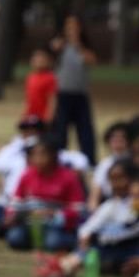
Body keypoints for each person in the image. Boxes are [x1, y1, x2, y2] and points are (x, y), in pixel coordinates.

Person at [4, 136, 86, 251]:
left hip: (56, 225)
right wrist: (11, 215)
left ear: (54, 155)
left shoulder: (69, 177)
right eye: (34, 155)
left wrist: (54, 214)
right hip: (29, 223)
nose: (37, 159)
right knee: (14, 239)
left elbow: (79, 209)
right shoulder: (27, 175)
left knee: (54, 243)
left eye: (42, 154)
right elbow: (15, 201)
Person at [50, 14, 97, 164]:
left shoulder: (83, 47)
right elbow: (48, 55)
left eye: (75, 26)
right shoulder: (59, 46)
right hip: (62, 93)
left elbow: (91, 61)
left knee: (85, 130)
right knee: (60, 129)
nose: (72, 29)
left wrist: (78, 44)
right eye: (68, 26)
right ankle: (58, 158)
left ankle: (89, 160)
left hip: (80, 94)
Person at [88, 121, 132, 208]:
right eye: (114, 140)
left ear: (129, 142)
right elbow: (95, 194)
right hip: (108, 202)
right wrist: (93, 210)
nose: (118, 144)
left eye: (121, 140)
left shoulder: (134, 161)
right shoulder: (104, 164)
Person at [24, 46, 57, 123]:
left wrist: (49, 117)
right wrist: (25, 115)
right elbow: (29, 100)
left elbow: (52, 100)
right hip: (31, 115)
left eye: (41, 59)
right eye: (36, 59)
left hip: (42, 116)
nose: (38, 61)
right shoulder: (30, 78)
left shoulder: (50, 78)